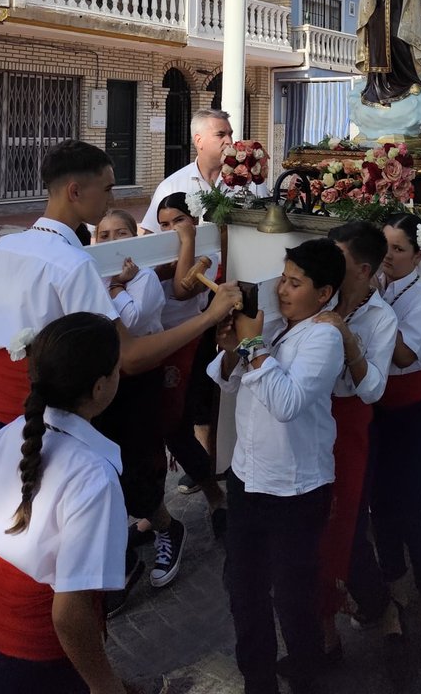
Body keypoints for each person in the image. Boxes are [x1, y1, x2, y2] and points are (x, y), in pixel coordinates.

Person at [0, 140, 240, 691]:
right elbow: (127, 357)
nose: (112, 198)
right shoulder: (72, 261)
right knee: (50, 562)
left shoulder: (7, 246)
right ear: (75, 192)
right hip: (32, 418)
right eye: (106, 188)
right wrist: (210, 317)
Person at [0, 313, 133, 694]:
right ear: (100, 387)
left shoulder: (9, 434)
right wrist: (106, 686)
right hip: (40, 661)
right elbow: (69, 613)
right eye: (117, 368)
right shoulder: (94, 475)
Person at [208, 238, 346, 694]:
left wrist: (252, 344)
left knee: (293, 597)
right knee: (243, 591)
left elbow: (286, 404)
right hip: (247, 478)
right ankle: (258, 679)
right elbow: (230, 383)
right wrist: (235, 349)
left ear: (324, 294)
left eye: (295, 283)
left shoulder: (324, 337)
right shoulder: (274, 326)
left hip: (296, 489)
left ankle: (306, 674)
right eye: (283, 279)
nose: (282, 290)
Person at [349, 213, 421, 674]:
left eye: (399, 249)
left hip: (408, 414)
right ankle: (392, 596)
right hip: (372, 410)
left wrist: (371, 305)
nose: (388, 256)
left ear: (419, 254)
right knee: (378, 507)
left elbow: (406, 355)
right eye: (384, 247)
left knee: (411, 510)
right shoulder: (378, 288)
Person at [316, 222, 397, 664]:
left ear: (364, 270)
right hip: (308, 420)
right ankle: (325, 633)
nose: (328, 264)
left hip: (348, 426)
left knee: (341, 526)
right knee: (308, 526)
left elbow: (372, 390)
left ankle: (369, 605)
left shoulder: (381, 317)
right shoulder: (317, 295)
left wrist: (347, 340)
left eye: (339, 258)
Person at [92, 210, 185, 594]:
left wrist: (116, 287)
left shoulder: (143, 278)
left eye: (121, 233)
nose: (112, 241)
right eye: (104, 235)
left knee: (139, 461)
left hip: (139, 379)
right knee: (106, 464)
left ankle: (167, 528)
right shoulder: (93, 274)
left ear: (135, 238)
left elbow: (129, 322)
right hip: (104, 378)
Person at [153, 193, 227, 532]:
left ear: (194, 221)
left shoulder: (205, 252)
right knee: (154, 431)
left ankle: (214, 496)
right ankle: (153, 514)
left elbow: (184, 289)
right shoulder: (155, 252)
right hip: (152, 344)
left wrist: (188, 240)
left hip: (186, 346)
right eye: (164, 224)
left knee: (177, 425)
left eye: (179, 221)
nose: (172, 229)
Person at [141, 108, 269, 233]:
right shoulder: (170, 186)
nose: (229, 141)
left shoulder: (250, 181)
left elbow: (268, 226)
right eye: (220, 135)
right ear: (199, 141)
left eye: (230, 134)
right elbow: (150, 236)